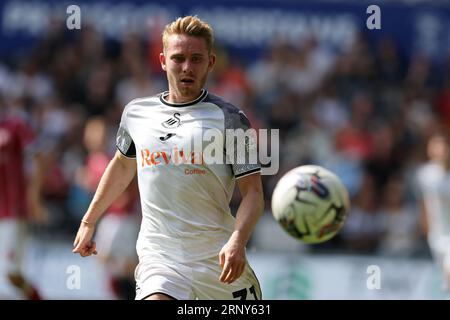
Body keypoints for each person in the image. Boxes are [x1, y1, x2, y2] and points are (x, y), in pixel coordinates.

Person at [73, 15, 265, 300]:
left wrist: (238, 240)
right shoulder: (136, 113)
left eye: (196, 59)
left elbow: (253, 193)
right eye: (178, 58)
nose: (187, 67)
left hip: (219, 261)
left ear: (210, 63)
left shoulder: (231, 119)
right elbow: (123, 165)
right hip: (160, 259)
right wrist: (89, 221)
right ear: (163, 61)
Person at [0, 102, 46, 300]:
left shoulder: (14, 125)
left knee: (11, 274)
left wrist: (34, 197)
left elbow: (41, 158)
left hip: (12, 211)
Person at [416, 132, 450, 295]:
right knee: (442, 278)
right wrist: (425, 226)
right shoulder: (425, 175)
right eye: (436, 146)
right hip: (436, 236)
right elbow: (423, 203)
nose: (441, 150)